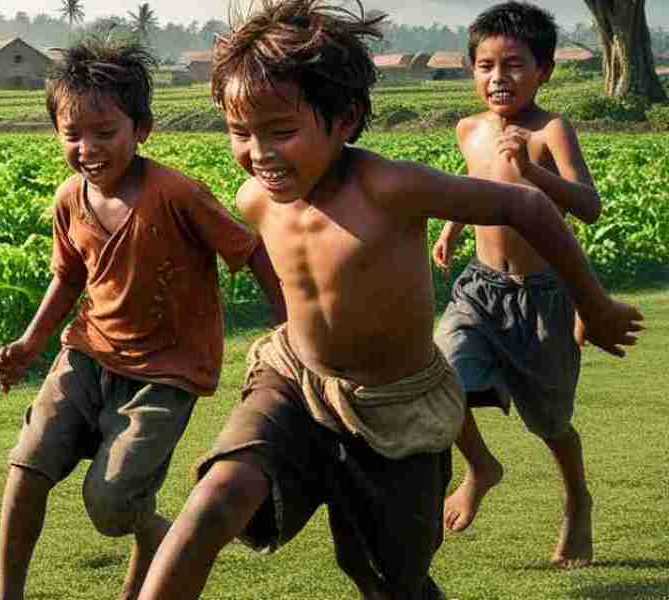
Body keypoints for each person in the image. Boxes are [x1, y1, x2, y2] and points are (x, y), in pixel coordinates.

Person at [134, 1, 642, 598]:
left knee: (385, 578)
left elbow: (526, 205)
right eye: (240, 132)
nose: (259, 153)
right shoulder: (255, 198)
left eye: (281, 131)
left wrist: (596, 305)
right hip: (295, 380)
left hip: (398, 408)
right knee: (212, 502)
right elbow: (293, 282)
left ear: (345, 119)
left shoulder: (388, 187)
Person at [0, 39, 286, 600]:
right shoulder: (68, 199)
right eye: (72, 134)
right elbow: (70, 276)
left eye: (105, 133)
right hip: (86, 353)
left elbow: (250, 252)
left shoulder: (176, 194)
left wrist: (286, 328)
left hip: (164, 375)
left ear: (141, 129)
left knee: (112, 506)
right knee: (26, 467)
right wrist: (29, 344)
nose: (87, 148)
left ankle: (154, 535)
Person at [431, 1, 610, 568]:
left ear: (545, 71)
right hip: (479, 289)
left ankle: (577, 499)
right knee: (441, 379)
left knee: (550, 421)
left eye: (514, 65)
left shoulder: (551, 129)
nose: (498, 78)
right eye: (485, 65)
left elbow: (589, 205)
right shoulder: (468, 130)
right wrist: (453, 228)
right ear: (471, 69)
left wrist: (534, 172)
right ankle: (481, 466)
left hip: (543, 299)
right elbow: (477, 181)